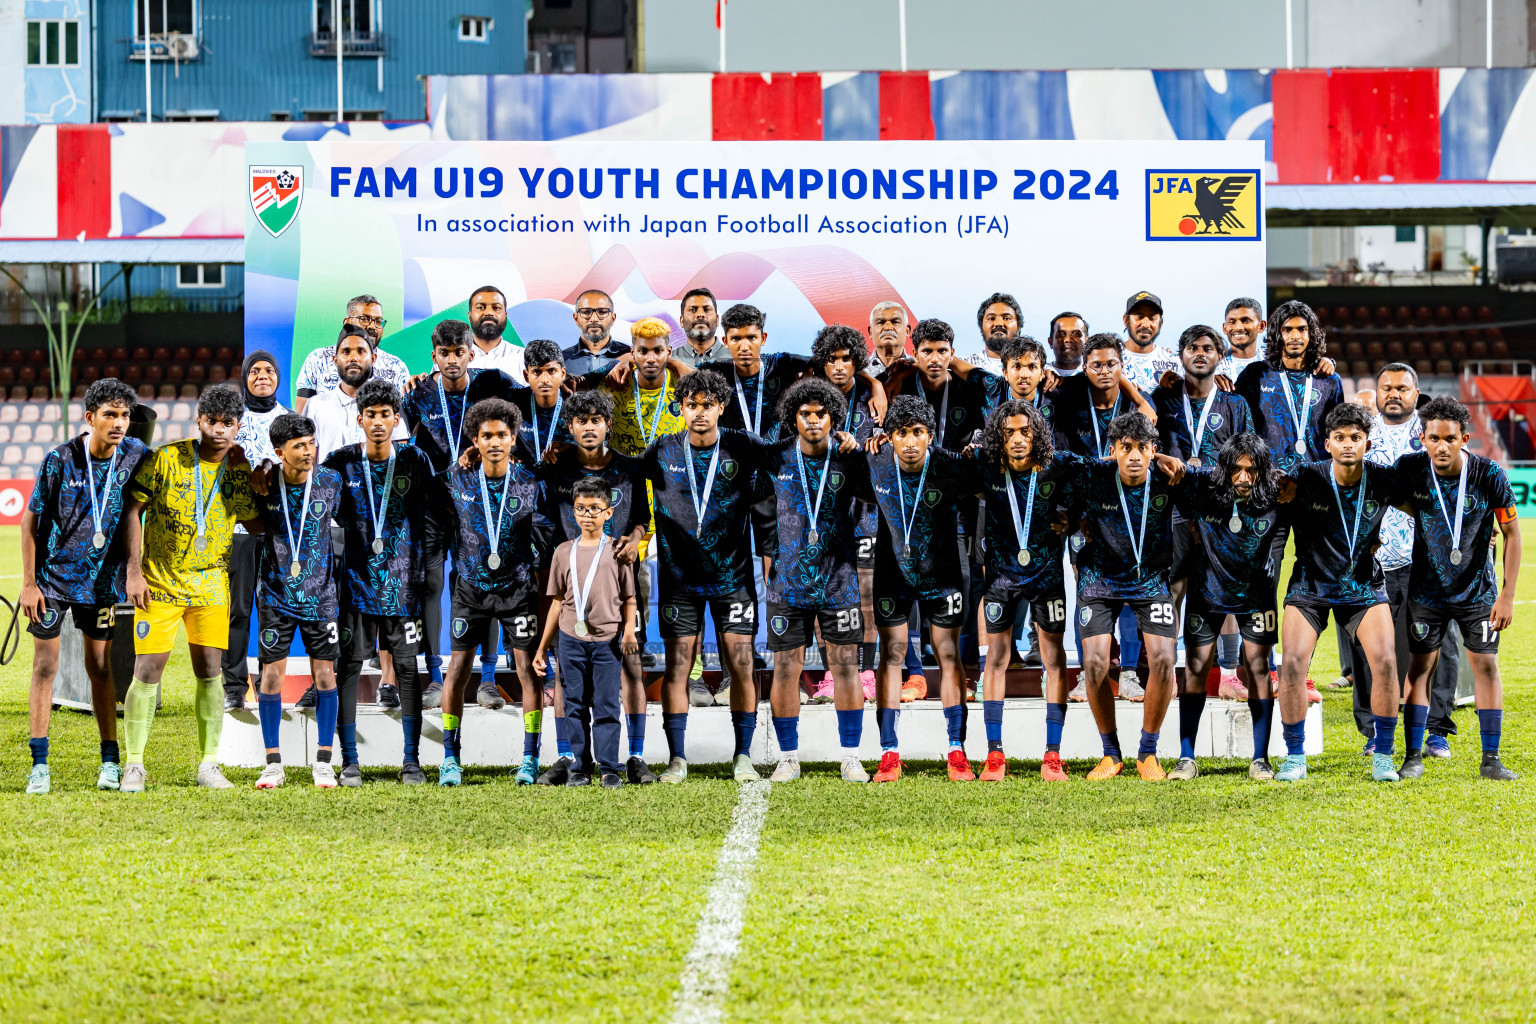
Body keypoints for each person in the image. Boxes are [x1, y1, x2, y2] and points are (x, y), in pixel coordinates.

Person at [121, 383, 260, 793]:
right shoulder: (165, 458)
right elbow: (133, 509)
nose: (219, 430)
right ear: (199, 420)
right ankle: (134, 765)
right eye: (212, 421)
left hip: (211, 586)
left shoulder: (236, 469)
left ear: (238, 425)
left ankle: (208, 764)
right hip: (158, 585)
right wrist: (133, 571)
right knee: (147, 671)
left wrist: (256, 478)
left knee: (210, 673)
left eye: (228, 423)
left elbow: (256, 525)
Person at [641, 370, 774, 783]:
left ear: (722, 407)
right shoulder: (660, 450)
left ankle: (744, 756)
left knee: (740, 665)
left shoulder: (745, 446)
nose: (700, 413)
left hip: (732, 579)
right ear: (679, 408)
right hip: (680, 579)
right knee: (679, 666)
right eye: (691, 405)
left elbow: (787, 466)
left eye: (708, 405)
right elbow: (619, 478)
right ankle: (677, 759)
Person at [19, 379, 150, 794]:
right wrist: (28, 584)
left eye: (125, 415)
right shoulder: (59, 460)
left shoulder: (134, 455)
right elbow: (30, 521)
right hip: (54, 579)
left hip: (102, 582)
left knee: (99, 667)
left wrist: (133, 568)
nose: (119, 423)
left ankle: (110, 761)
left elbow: (140, 504)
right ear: (89, 417)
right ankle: (40, 765)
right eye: (110, 415)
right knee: (45, 666)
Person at [1276, 403, 1407, 783]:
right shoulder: (1304, 477)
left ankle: (1382, 755)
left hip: (1363, 585)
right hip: (1311, 585)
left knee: (1384, 662)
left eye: (1356, 438)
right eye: (1340, 438)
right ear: (1327, 443)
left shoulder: (1383, 478)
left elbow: (1425, 507)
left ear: (1368, 442)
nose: (1348, 445)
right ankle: (1295, 756)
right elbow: (1269, 498)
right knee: (1293, 665)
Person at [531, 388, 654, 786]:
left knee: (630, 664)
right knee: (568, 675)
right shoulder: (556, 467)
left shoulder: (630, 469)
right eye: (581, 421)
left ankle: (634, 755)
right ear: (570, 426)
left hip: (619, 579)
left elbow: (642, 519)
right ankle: (570, 758)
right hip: (570, 583)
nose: (588, 427)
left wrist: (636, 538)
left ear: (608, 426)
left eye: (595, 421)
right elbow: (544, 522)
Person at [1393, 396, 1520, 781]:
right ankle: (1412, 756)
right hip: (1427, 591)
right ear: (1422, 437)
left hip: (1478, 592)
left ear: (1464, 437)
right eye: (1433, 438)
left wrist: (1508, 595)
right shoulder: (1410, 469)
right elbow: (1397, 505)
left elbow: (1512, 533)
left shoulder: (1488, 474)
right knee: (1419, 668)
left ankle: (1491, 759)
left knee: (1485, 665)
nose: (1441, 446)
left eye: (1450, 438)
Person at [324, 379, 438, 786]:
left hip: (402, 581)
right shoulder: (339, 463)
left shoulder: (415, 460)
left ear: (396, 418)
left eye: (385, 415)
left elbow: (429, 518)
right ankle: (349, 761)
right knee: (350, 666)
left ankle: (411, 761)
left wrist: (425, 571)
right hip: (354, 581)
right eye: (370, 415)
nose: (377, 422)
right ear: (360, 419)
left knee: (407, 668)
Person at [399, 319, 518, 708]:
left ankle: (486, 679)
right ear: (434, 356)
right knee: (432, 586)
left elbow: (532, 396)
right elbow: (404, 444)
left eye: (459, 352)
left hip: (478, 501)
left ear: (471, 352)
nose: (452, 360)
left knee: (484, 582)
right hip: (432, 505)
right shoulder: (417, 393)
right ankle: (435, 677)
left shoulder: (492, 383)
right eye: (444, 354)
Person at [864, 396, 982, 783]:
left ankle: (956, 749)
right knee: (892, 657)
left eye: (918, 433)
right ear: (890, 436)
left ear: (930, 435)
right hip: (892, 574)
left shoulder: (951, 465)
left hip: (943, 574)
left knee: (949, 657)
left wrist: (978, 450)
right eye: (902, 434)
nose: (911, 442)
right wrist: (855, 439)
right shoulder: (873, 462)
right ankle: (888, 752)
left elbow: (991, 485)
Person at [968, 400, 1087, 781]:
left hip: (1046, 575)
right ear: (997, 438)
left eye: (1025, 432)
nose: (1017, 440)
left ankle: (1052, 754)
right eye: (1008, 434)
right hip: (1000, 577)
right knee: (996, 660)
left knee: (1053, 661)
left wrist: (1072, 518)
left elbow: (1098, 478)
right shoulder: (985, 467)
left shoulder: (1059, 465)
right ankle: (994, 755)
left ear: (1037, 434)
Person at [758, 379, 869, 783]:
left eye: (820, 413)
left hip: (839, 581)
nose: (812, 420)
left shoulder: (849, 459)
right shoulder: (775, 457)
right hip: (787, 584)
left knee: (845, 668)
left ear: (833, 417)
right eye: (805, 414)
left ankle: (851, 756)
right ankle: (788, 758)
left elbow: (880, 495)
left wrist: (863, 448)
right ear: (794, 418)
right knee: (785, 670)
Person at [438, 398, 550, 787]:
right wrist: (461, 458)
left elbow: (548, 530)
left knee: (527, 672)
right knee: (457, 670)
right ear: (475, 439)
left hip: (518, 589)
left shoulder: (531, 481)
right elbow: (435, 511)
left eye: (503, 434)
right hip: (470, 588)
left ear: (514, 437)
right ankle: (450, 759)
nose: (495, 442)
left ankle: (530, 759)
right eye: (487, 436)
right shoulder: (456, 478)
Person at [1067, 412, 1184, 781]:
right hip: (1100, 578)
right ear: (1113, 449)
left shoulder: (1170, 479)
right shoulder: (1092, 476)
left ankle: (1147, 753)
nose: (1134, 456)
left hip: (1149, 578)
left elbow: (1214, 477)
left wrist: (1171, 460)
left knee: (1164, 659)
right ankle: (1111, 753)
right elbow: (1057, 469)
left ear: (1153, 450)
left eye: (1142, 448)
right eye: (1125, 448)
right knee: (1096, 665)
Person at [1349, 363, 1459, 754]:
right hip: (1373, 559)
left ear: (1417, 393)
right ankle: (1376, 730)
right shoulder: (1360, 435)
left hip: (1428, 559)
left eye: (1402, 388)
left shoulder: (1432, 434)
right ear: (1376, 392)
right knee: (1368, 645)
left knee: (1437, 644)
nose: (1393, 393)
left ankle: (1436, 730)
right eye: (1386, 387)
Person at [1049, 333, 1158, 704]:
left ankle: (1127, 673)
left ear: (1122, 366)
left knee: (1127, 589)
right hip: (1083, 511)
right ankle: (1088, 672)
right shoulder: (1069, 402)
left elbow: (1151, 418)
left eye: (1112, 364)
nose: (1105, 371)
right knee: (1088, 589)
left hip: (1127, 509)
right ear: (1085, 367)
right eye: (1096, 364)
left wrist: (1133, 390)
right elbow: (1062, 458)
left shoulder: (1134, 406)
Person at [1171, 433, 1285, 781]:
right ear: (1224, 469)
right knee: (1195, 668)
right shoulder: (1203, 487)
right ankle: (1186, 758)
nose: (1243, 478)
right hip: (1208, 590)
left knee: (1259, 668)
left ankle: (1260, 759)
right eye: (1236, 469)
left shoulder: (1278, 493)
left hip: (1256, 593)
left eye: (1252, 470)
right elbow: (1165, 475)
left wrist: (1275, 562)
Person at [1152, 324, 1255, 697]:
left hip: (1220, 509)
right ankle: (1172, 670)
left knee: (1224, 586)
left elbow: (1248, 456)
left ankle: (1228, 674)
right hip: (1174, 508)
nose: (1200, 353)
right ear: (1180, 355)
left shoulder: (1235, 404)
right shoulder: (1162, 400)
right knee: (1174, 585)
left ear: (1219, 356)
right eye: (1192, 347)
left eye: (1208, 347)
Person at [250, 414, 343, 790]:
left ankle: (323, 763)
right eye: (299, 446)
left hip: (320, 596)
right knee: (271, 677)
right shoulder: (266, 484)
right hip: (275, 593)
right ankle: (273, 764)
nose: (309, 451)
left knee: (325, 676)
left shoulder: (331, 481)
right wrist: (261, 470)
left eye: (311, 443)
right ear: (279, 452)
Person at [533, 478, 642, 789]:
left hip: (608, 640)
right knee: (575, 704)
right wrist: (543, 648)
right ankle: (580, 767)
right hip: (570, 639)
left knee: (607, 705)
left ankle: (610, 768)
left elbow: (629, 598)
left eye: (595, 509)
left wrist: (629, 633)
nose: (588, 515)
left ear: (608, 513)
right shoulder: (562, 552)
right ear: (573, 512)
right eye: (581, 508)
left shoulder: (618, 552)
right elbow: (555, 604)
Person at [807, 324, 883, 703]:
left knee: (865, 595)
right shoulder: (809, 398)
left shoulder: (872, 396)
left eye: (847, 359)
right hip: (820, 512)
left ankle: (867, 673)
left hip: (865, 510)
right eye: (832, 359)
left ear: (857, 360)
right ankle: (831, 675)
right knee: (826, 593)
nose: (839, 366)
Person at [224, 351, 290, 711]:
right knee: (238, 610)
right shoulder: (234, 420)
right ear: (245, 378)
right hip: (238, 531)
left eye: (268, 370)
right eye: (255, 371)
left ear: (277, 377)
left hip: (279, 531)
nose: (262, 376)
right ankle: (234, 685)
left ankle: (268, 682)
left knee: (272, 610)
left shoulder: (289, 419)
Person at [1233, 299, 1344, 477]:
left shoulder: (1329, 381)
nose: (1295, 336)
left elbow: (1339, 433)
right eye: (1287, 330)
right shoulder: (1255, 375)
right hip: (1270, 479)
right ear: (1278, 334)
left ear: (1311, 334)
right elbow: (1238, 427)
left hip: (1317, 480)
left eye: (1302, 329)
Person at [305, 326, 410, 461]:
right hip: (329, 482)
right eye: (346, 352)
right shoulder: (316, 405)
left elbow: (400, 455)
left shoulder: (389, 402)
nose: (353, 358)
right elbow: (309, 459)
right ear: (335, 360)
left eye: (361, 351)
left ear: (373, 358)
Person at [294, 294, 411, 411]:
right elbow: (301, 417)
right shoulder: (318, 359)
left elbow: (403, 418)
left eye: (378, 321)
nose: (372, 326)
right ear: (347, 323)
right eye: (364, 319)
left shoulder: (396, 367)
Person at [1120, 292, 1181, 393]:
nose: (1145, 324)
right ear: (1126, 320)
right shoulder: (1109, 359)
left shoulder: (1174, 362)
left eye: (1152, 318)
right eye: (1139, 316)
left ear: (1160, 323)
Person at [562, 288, 631, 377]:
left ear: (613, 319)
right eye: (586, 312)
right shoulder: (560, 361)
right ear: (576, 319)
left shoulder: (632, 356)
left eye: (602, 312)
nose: (594, 319)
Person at [467, 284, 527, 379]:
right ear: (469, 317)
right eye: (480, 307)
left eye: (496, 308)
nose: (489, 313)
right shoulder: (450, 359)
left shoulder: (523, 357)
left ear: (505, 316)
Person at [963, 292, 1023, 375]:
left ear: (1019, 327)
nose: (998, 323)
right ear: (981, 327)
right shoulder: (962, 366)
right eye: (991, 318)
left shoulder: (1037, 367)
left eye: (1006, 318)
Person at [672, 287, 729, 368]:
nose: (700, 314)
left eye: (707, 309)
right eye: (692, 310)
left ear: (717, 320)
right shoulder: (669, 361)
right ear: (682, 321)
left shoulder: (734, 359)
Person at [1218, 298, 1267, 380]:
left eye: (1245, 321)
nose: (1238, 328)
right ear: (1224, 328)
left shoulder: (1274, 364)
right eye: (1232, 322)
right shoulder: (1214, 366)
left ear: (1261, 326)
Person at [866, 300, 913, 374]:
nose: (888, 327)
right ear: (870, 332)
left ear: (907, 331)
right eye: (880, 322)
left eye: (895, 322)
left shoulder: (918, 369)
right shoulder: (858, 371)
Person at [1048, 312, 1088, 376]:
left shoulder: (1097, 376)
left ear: (1087, 342)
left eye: (1076, 334)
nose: (1068, 339)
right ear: (1050, 342)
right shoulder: (1038, 374)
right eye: (1061, 334)